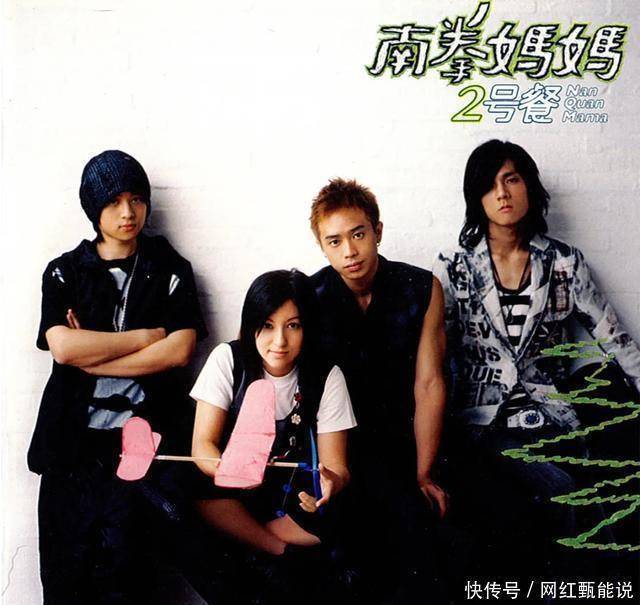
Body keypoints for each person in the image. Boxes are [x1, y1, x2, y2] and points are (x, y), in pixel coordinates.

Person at [433, 139, 640, 574]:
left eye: (511, 179)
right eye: (489, 185)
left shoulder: (563, 262)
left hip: (552, 417)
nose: (502, 193)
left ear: (529, 186)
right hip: (483, 424)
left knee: (595, 490)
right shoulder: (454, 267)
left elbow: (615, 339)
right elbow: (434, 359)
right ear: (476, 197)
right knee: (562, 490)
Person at [28, 150, 208, 604]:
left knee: (132, 580)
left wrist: (94, 356)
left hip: (140, 450)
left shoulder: (169, 268)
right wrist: (145, 337)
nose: (128, 213)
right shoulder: (65, 271)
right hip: (71, 451)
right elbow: (63, 347)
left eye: (136, 199)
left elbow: (179, 350)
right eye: (113, 202)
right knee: (65, 577)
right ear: (94, 209)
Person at [309, 178, 448, 603]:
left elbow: (429, 384)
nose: (349, 251)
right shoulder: (310, 296)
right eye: (334, 241)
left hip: (409, 440)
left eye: (358, 234)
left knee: (423, 531)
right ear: (322, 247)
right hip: (342, 449)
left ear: (378, 231)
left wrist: (423, 472)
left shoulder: (421, 287)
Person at [190, 269, 356, 599]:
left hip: (292, 496)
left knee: (342, 518)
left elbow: (337, 465)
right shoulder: (229, 359)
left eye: (293, 326)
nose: (279, 341)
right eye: (267, 325)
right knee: (197, 499)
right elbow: (202, 446)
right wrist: (233, 471)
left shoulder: (326, 375)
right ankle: (279, 550)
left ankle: (259, 540)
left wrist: (330, 483)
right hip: (233, 492)